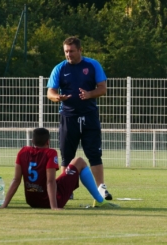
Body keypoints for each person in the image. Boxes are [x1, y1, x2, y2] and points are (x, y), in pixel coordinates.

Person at [47, 36, 112, 200]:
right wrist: (57, 98)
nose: (68, 55)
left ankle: (101, 188)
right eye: (66, 52)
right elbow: (50, 92)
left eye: (71, 51)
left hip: (89, 116)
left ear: (80, 50)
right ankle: (66, 189)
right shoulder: (59, 68)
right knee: (66, 156)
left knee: (94, 153)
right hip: (68, 117)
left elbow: (103, 88)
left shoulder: (92, 65)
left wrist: (90, 94)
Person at [0, 128, 118, 209]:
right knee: (79, 161)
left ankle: (99, 200)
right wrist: (54, 207)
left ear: (32, 141)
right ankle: (100, 200)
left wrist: (4, 204)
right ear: (48, 142)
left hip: (31, 201)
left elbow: (16, 180)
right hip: (48, 200)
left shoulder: (23, 151)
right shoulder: (50, 153)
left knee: (73, 164)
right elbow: (50, 181)